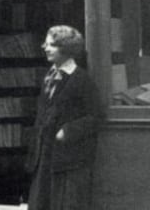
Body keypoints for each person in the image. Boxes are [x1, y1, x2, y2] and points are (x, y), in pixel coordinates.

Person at [25, 25, 101, 210]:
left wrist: (68, 131)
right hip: (45, 156)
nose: (45, 47)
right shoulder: (49, 76)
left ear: (66, 49)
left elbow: (96, 116)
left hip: (68, 159)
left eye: (51, 44)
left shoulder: (81, 79)